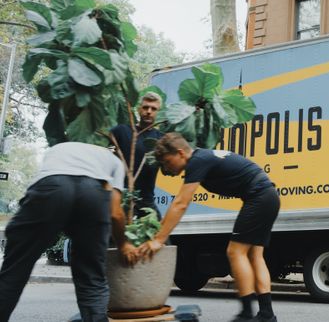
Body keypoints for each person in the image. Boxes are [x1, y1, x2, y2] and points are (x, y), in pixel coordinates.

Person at [138, 133, 280, 322]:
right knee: (254, 255)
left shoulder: (197, 161)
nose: (165, 167)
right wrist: (158, 233)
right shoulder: (202, 158)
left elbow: (180, 203)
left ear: (180, 153)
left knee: (234, 252)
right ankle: (266, 314)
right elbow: (177, 206)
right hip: (267, 195)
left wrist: (158, 240)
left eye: (166, 161)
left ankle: (246, 314)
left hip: (260, 196)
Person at [0, 142, 137, 322]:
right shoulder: (115, 162)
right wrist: (123, 244)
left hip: (52, 188)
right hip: (92, 194)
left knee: (15, 271)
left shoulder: (60, 148)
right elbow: (115, 213)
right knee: (92, 278)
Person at [109, 91, 164, 219]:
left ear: (158, 112)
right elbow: (104, 152)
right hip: (123, 197)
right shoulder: (121, 131)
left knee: (159, 236)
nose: (149, 111)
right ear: (139, 109)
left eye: (153, 109)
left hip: (147, 200)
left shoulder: (161, 139)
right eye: (145, 107)